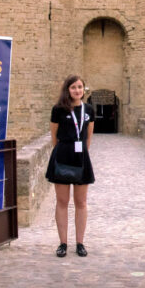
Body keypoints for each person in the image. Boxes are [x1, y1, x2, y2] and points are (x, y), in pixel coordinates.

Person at [45, 74, 95, 257]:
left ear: (84, 89)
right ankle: (63, 243)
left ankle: (80, 243)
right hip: (63, 156)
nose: (77, 90)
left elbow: (88, 136)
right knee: (62, 202)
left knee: (81, 202)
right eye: (73, 87)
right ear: (67, 89)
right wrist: (62, 151)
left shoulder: (88, 110)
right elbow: (54, 136)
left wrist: (82, 153)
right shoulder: (58, 109)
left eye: (80, 87)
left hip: (81, 158)